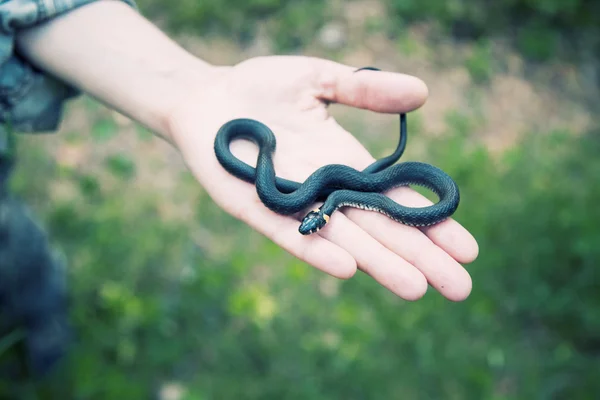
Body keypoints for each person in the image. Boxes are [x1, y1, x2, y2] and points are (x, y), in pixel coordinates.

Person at [0, 0, 478, 375]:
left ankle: (39, 329)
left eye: (311, 222)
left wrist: (186, 90)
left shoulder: (332, 197)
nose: (308, 223)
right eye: (313, 221)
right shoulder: (325, 195)